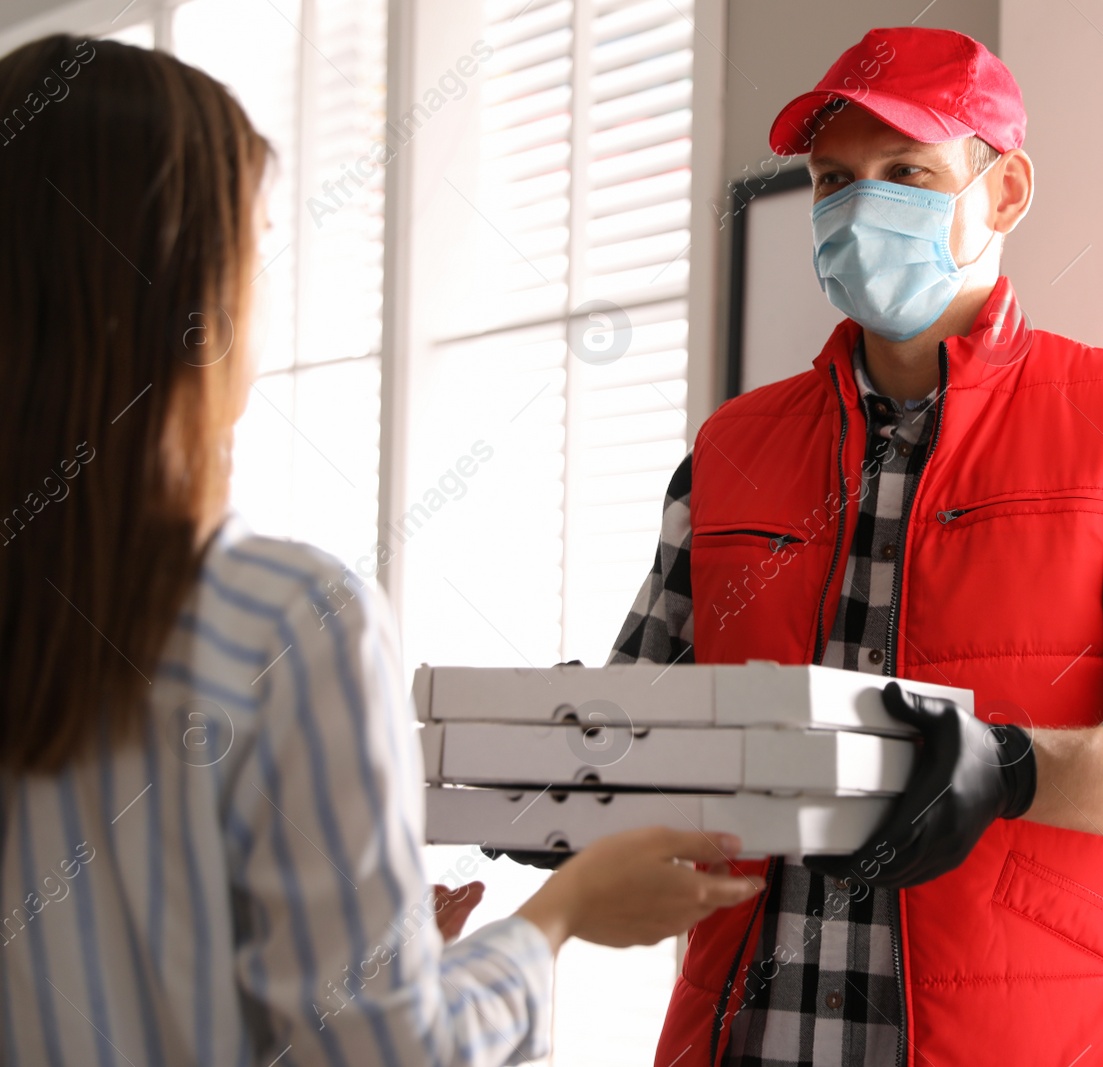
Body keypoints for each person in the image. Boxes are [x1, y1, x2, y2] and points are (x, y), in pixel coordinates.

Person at [0, 35, 758, 1067]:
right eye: (256, 247)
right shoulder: (284, 619)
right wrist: (555, 917)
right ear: (187, 292)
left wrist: (369, 964)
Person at [611, 25, 1103, 1066]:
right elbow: (652, 715)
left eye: (908, 172)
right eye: (835, 179)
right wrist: (562, 779)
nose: (859, 205)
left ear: (1004, 191)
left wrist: (1007, 768)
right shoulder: (731, 448)